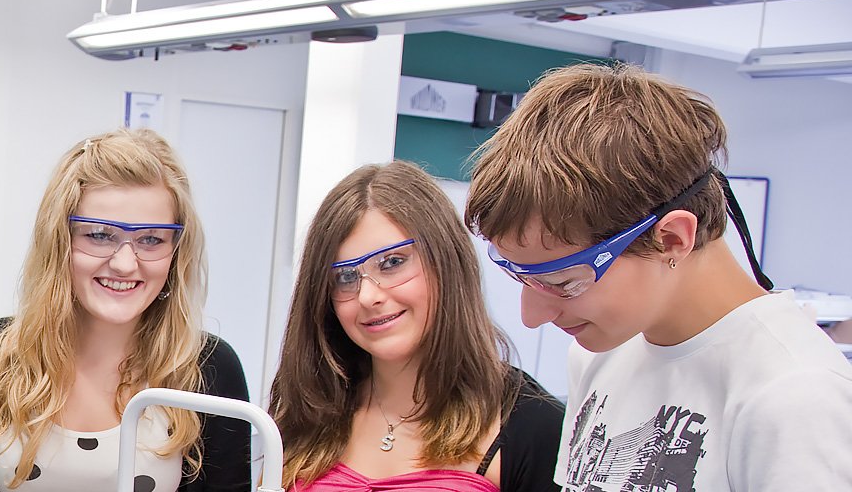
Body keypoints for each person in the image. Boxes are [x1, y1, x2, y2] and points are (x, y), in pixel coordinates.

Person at [467, 63, 852, 490]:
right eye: (521, 277)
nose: (532, 316)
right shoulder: (599, 352)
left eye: (562, 282)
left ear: (671, 239)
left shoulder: (796, 397)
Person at [0, 129, 252, 492]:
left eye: (151, 239)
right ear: (59, 240)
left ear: (176, 251)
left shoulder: (210, 370)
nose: (125, 263)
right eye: (99, 234)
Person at [270, 161, 562, 492]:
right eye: (345, 277)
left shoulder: (532, 423)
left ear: (447, 261)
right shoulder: (308, 406)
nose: (367, 296)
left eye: (392, 263)